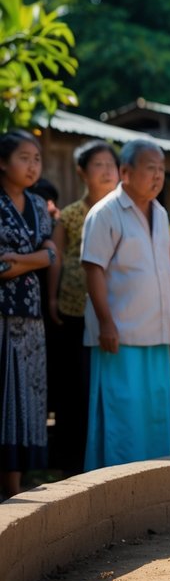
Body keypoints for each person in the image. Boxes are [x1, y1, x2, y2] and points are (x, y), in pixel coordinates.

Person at [82, 140, 170, 469]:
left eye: (162, 169)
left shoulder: (160, 212)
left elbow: (166, 268)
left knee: (155, 414)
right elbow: (93, 268)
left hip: (156, 330)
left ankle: (152, 482)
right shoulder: (105, 213)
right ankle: (114, 486)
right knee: (122, 416)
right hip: (120, 334)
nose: (158, 176)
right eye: (150, 168)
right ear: (125, 172)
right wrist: (106, 322)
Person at [47, 140, 119, 475]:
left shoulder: (124, 212)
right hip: (74, 308)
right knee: (73, 386)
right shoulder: (71, 215)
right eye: (98, 165)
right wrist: (52, 298)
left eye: (111, 165)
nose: (106, 171)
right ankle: (69, 463)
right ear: (82, 172)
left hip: (115, 311)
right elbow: (57, 258)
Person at [0, 130, 54, 498]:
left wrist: (21, 260)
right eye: (24, 158)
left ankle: (15, 485)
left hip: (30, 315)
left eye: (36, 159)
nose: (33, 165)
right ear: (3, 163)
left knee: (25, 395)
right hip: (2, 315)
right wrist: (36, 259)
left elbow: (52, 254)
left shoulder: (37, 204)